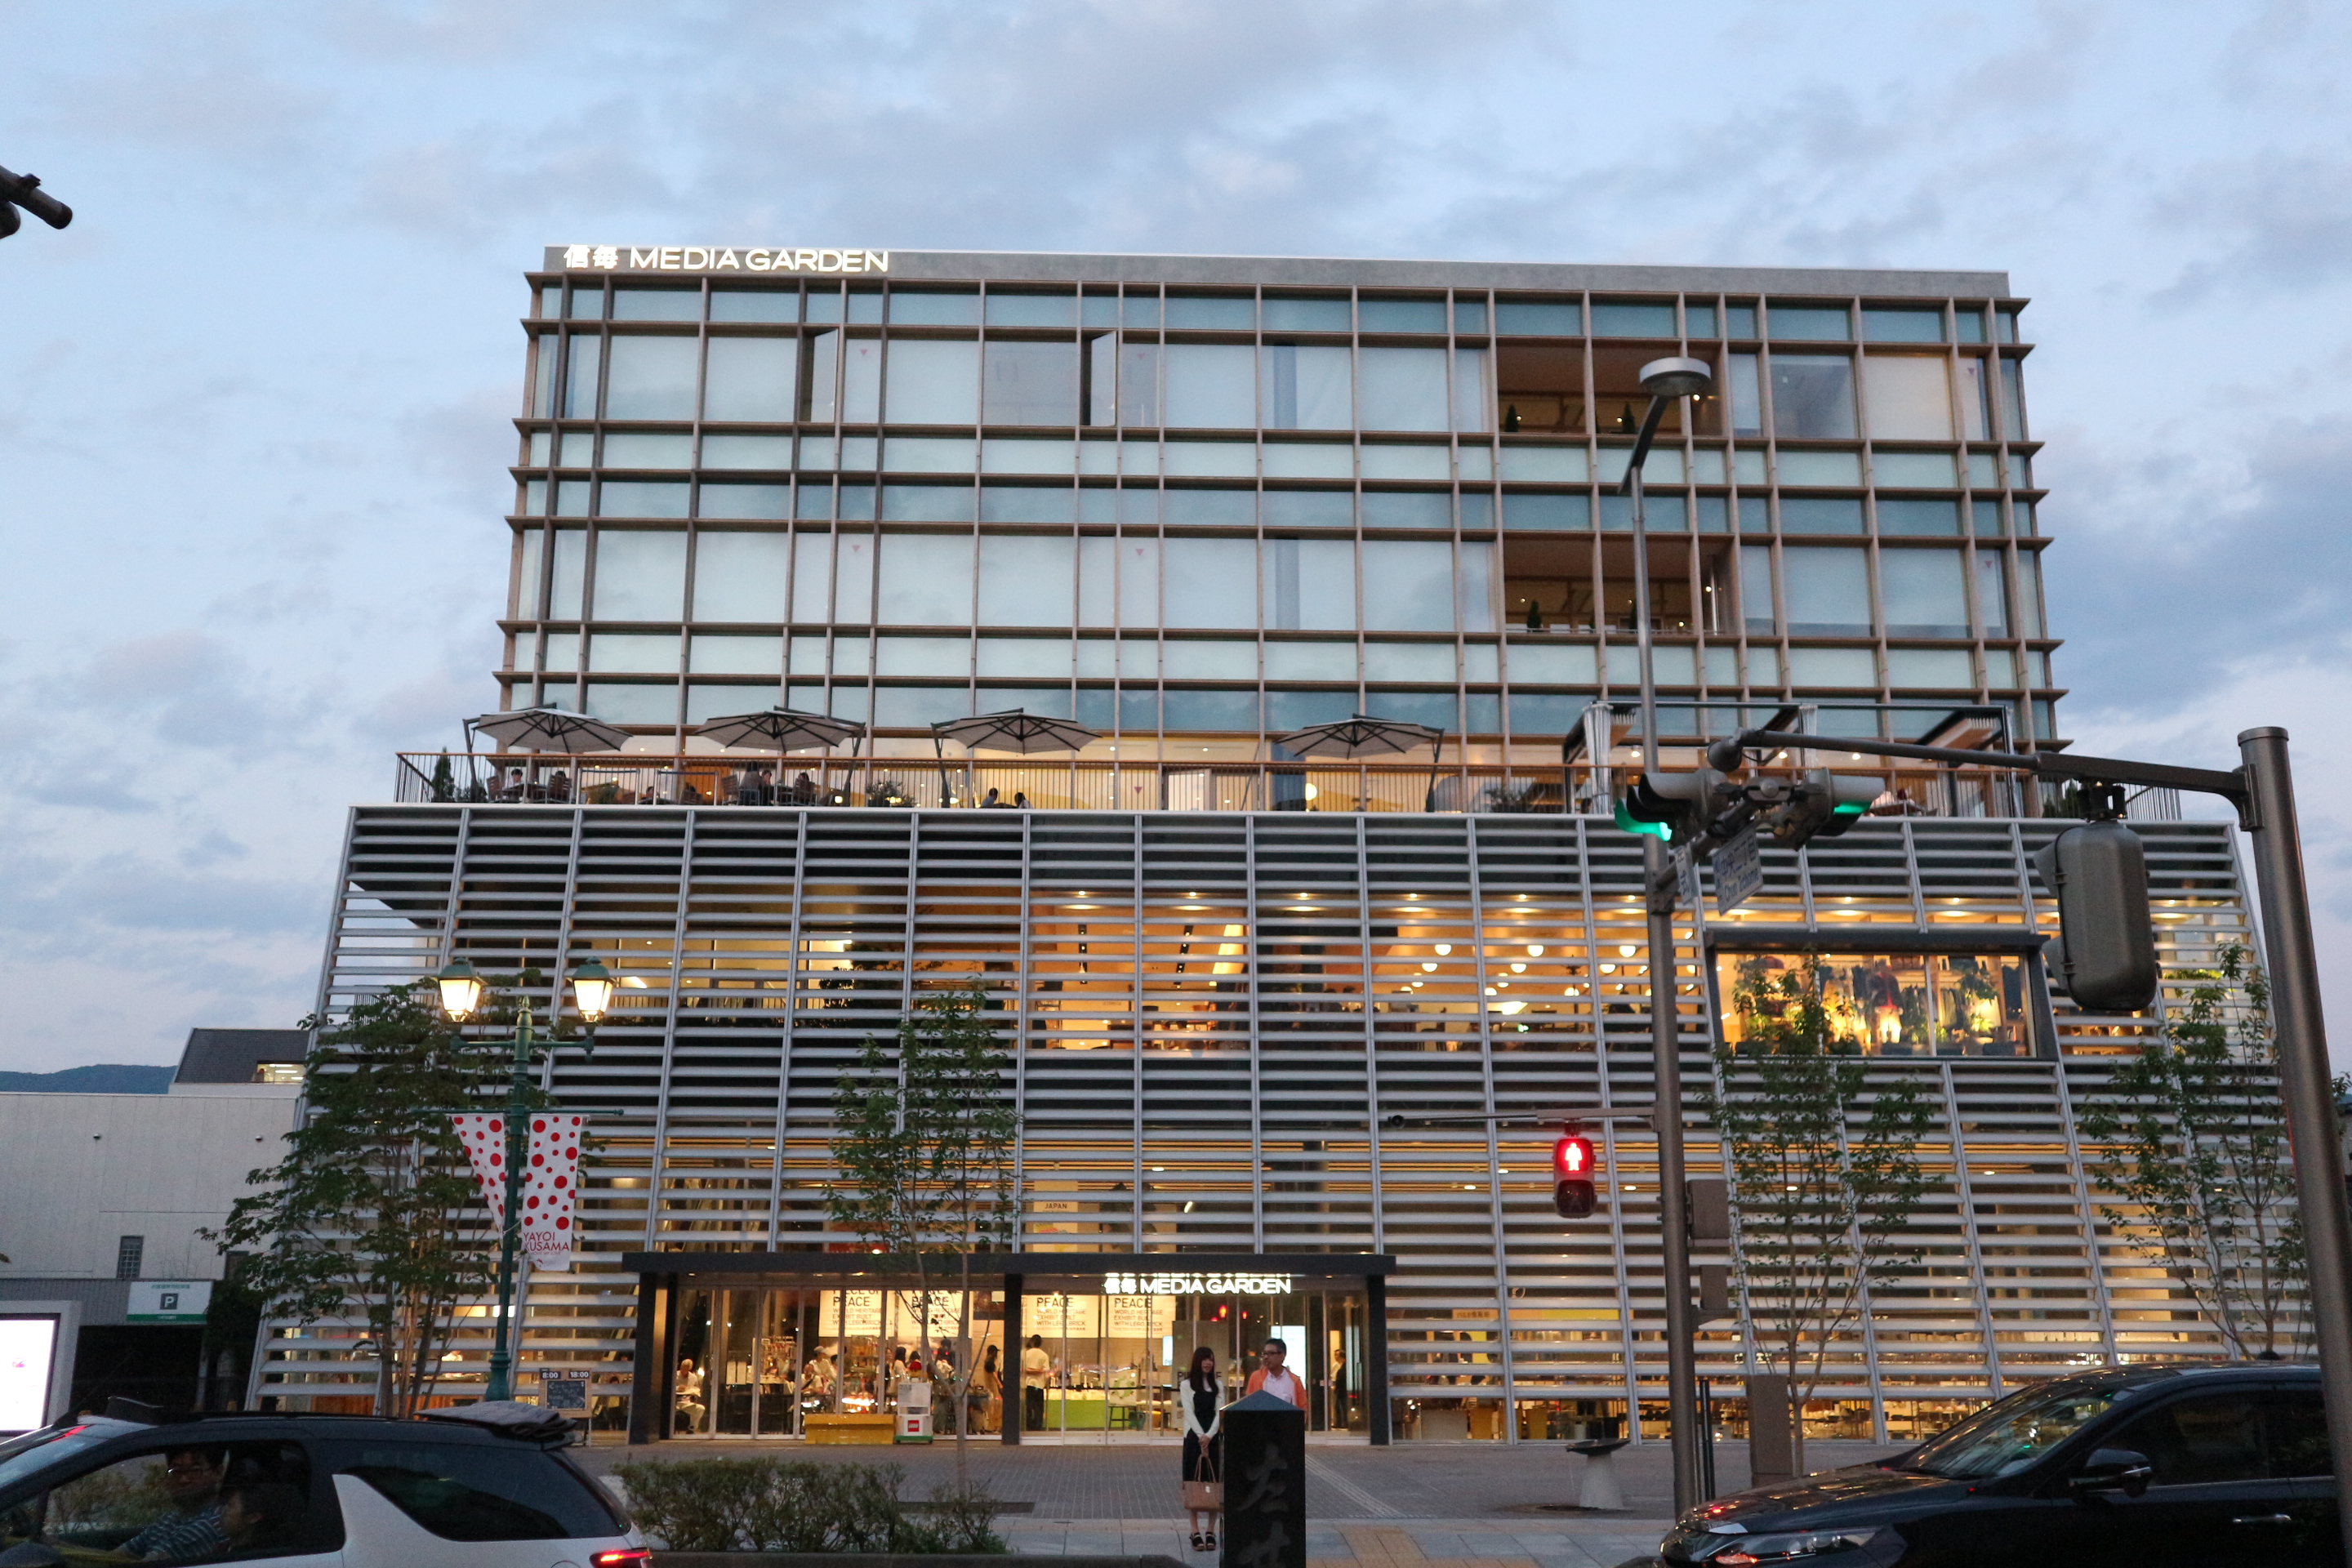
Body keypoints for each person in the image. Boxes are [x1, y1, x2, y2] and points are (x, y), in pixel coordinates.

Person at [120, 1447, 226, 1561]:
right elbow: (122, 1553)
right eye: (176, 1471)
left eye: (194, 1471)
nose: (183, 1480)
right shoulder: (171, 1518)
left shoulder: (208, 1526)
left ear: (218, 1473)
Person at [1179, 1347, 1223, 1552]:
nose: (1208, 1363)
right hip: (1193, 1439)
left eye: (1211, 1360)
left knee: (1213, 1481)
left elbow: (1220, 1412)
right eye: (1205, 1359)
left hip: (1212, 1439)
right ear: (1197, 1361)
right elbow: (1188, 1412)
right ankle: (1195, 1530)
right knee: (1193, 1481)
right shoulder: (1186, 1385)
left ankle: (1211, 1530)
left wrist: (1210, 1435)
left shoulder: (1218, 1386)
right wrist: (1200, 1436)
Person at [216, 1481, 306, 1557]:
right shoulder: (222, 1549)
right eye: (225, 1504)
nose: (221, 1511)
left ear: (253, 1518)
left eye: (230, 1506)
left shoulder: (254, 1557)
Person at [1243, 1336, 1307, 1411]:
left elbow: (1303, 1409)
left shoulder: (1295, 1381)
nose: (1266, 1357)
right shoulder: (1256, 1377)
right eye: (1264, 1354)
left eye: (1271, 1353)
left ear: (1282, 1356)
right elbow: (1248, 1405)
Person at [1020, 1334, 1051, 1431]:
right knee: (1038, 1407)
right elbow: (1046, 1371)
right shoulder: (1044, 1355)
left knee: (1028, 1406)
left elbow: (1021, 1369)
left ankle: (1028, 1425)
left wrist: (1029, 1371)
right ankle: (1038, 1426)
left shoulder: (1025, 1354)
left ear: (1032, 1342)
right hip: (1039, 1385)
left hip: (1027, 1384)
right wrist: (1038, 1372)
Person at [973, 1343, 1002, 1433]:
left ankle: (992, 1426)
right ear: (994, 1352)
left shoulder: (987, 1362)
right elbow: (993, 1374)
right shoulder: (990, 1362)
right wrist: (999, 1384)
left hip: (990, 1388)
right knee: (997, 1406)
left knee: (993, 1406)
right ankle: (994, 1426)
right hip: (993, 1388)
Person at [675, 1357, 706, 1432]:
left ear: (689, 1369)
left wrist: (694, 1392)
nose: (683, 1371)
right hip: (675, 1402)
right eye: (682, 1368)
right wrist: (677, 1388)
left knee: (700, 1409)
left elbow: (697, 1388)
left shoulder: (693, 1378)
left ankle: (692, 1428)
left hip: (687, 1403)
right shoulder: (674, 1375)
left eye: (686, 1369)